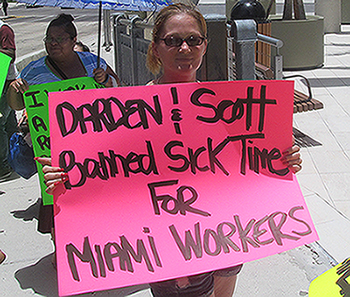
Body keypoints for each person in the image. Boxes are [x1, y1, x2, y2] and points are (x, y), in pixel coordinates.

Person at [37, 4, 303, 296]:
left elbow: (249, 165)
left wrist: (282, 159)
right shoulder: (129, 114)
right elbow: (104, 172)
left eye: (194, 39)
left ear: (205, 45)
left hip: (226, 237)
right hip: (163, 250)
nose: (185, 48)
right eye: (173, 40)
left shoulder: (227, 108)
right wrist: (66, 176)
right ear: (156, 47)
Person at [7, 13, 118, 254]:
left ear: (73, 39)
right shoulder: (33, 71)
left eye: (59, 38)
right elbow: (16, 104)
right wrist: (16, 90)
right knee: (59, 198)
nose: (53, 43)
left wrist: (105, 78)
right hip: (54, 150)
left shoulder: (92, 62)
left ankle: (98, 244)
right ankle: (65, 250)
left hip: (92, 148)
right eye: (49, 38)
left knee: (94, 197)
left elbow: (116, 91)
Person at [0, 19, 17, 180]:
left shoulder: (4, 29)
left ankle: (3, 165)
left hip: (5, 81)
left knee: (1, 122)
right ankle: (14, 161)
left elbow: (11, 54)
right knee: (10, 124)